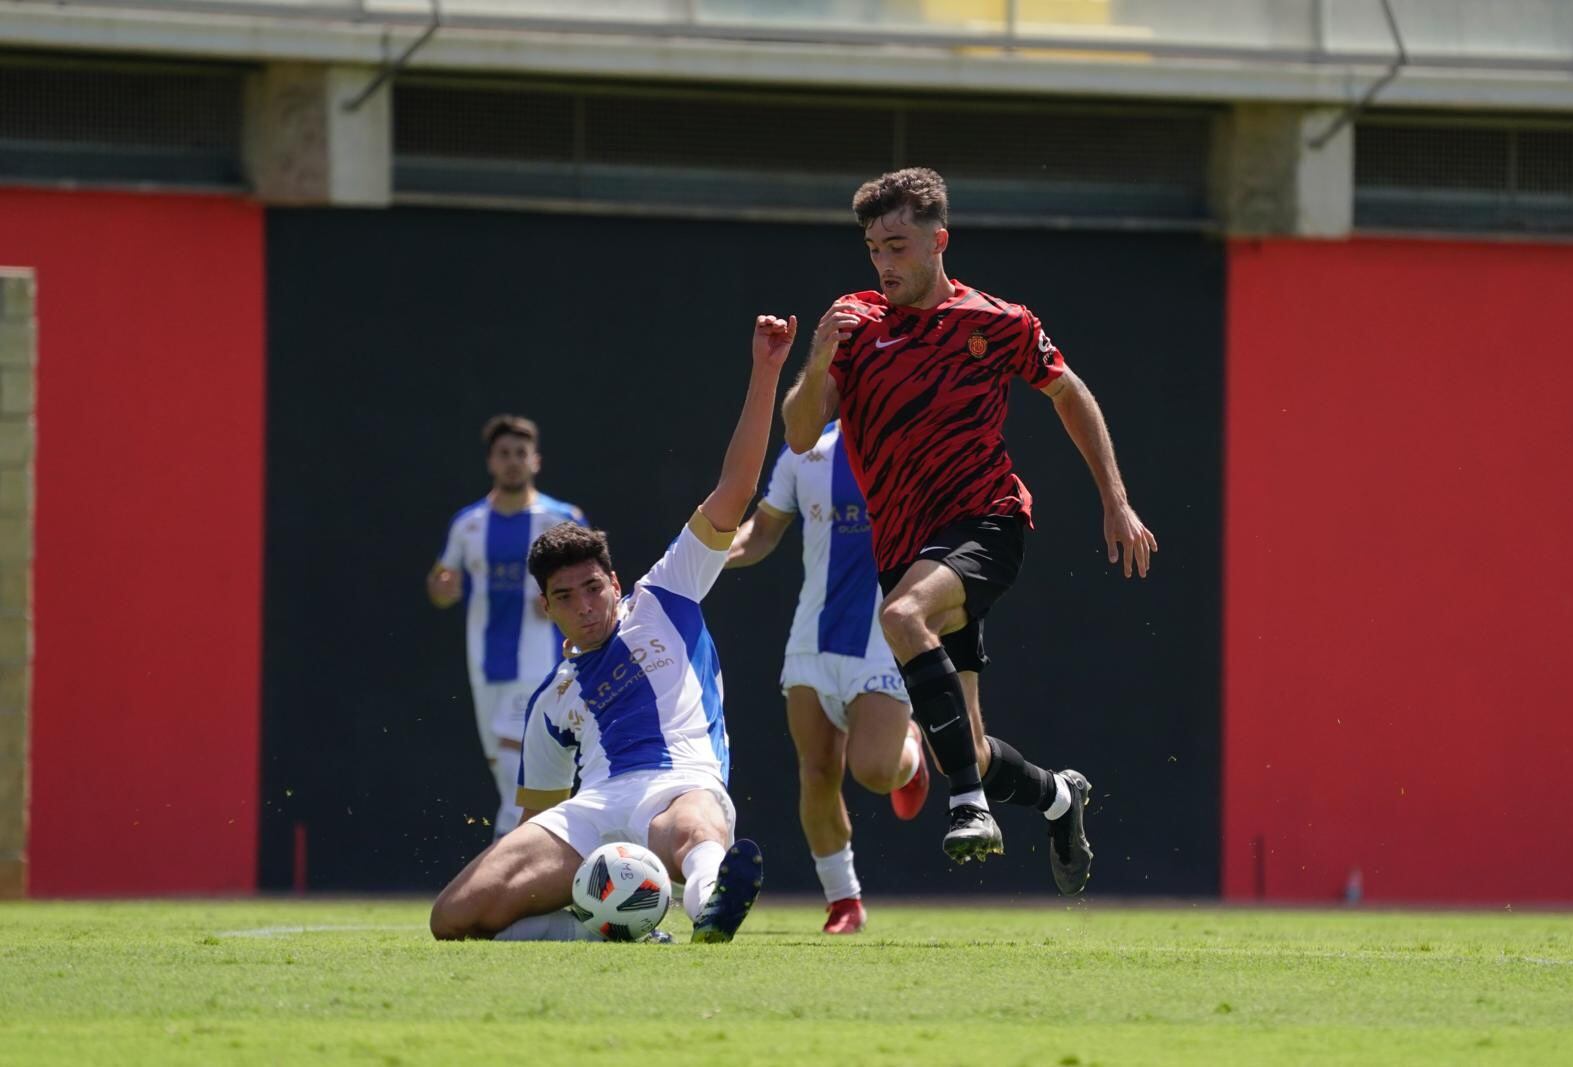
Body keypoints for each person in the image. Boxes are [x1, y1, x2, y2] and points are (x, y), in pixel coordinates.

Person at [781, 167, 1158, 895]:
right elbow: (800, 436)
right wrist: (819, 355)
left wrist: (1116, 499)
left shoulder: (997, 321)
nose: (884, 264)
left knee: (901, 616)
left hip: (988, 523)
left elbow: (1069, 392)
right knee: (971, 744)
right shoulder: (856, 326)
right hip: (908, 549)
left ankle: (967, 807)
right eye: (873, 250)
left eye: (897, 246)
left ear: (938, 241)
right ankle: (1056, 796)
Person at [430, 313, 797, 944]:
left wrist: (765, 373)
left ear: (616, 582)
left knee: (695, 832)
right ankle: (607, 933)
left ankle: (713, 906)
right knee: (455, 918)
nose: (586, 605)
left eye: (594, 587)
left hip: (680, 782)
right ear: (547, 608)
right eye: (566, 597)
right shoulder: (553, 697)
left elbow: (735, 490)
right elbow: (537, 817)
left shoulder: (668, 592)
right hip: (595, 808)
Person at [724, 420, 930, 935]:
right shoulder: (805, 452)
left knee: (876, 772)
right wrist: (709, 557)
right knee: (816, 772)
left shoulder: (912, 437)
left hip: (882, 639)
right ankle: (844, 903)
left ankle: (910, 748)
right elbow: (763, 531)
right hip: (811, 639)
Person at [427, 415, 586, 839]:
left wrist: (558, 601)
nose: (513, 461)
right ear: (491, 462)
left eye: (521, 453)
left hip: (542, 665)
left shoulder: (561, 519)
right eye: (504, 454)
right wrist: (442, 587)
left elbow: (593, 586)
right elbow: (441, 588)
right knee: (508, 772)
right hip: (485, 668)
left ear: (535, 460)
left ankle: (510, 870)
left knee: (519, 778)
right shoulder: (469, 524)